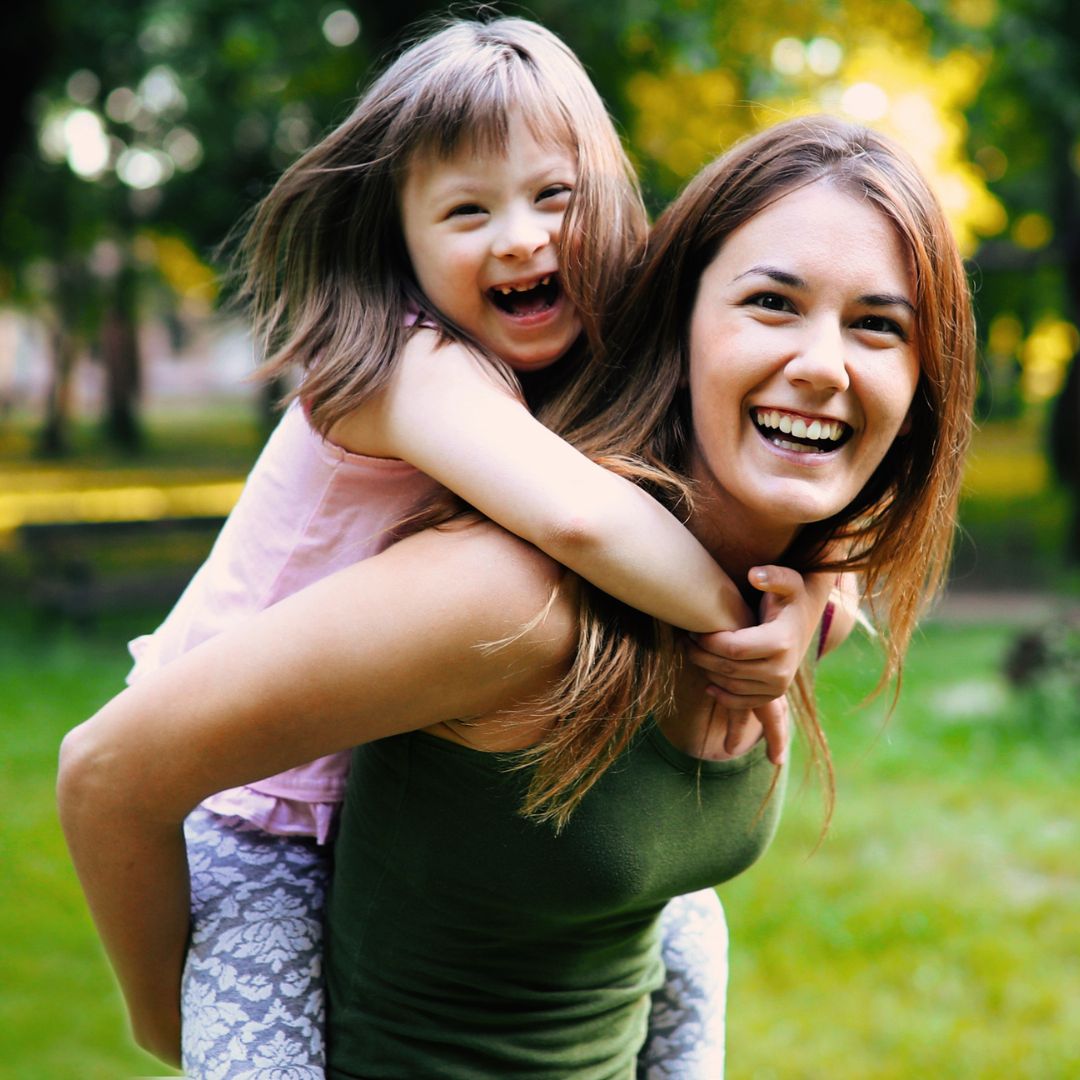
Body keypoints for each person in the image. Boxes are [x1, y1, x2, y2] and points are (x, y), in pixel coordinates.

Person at [58, 113, 974, 1078]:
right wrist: (174, 1022)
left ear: (923, 380)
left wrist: (809, 599)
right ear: (678, 319)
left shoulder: (790, 600)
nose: (825, 365)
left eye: (878, 324)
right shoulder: (514, 601)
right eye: (772, 303)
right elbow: (109, 774)